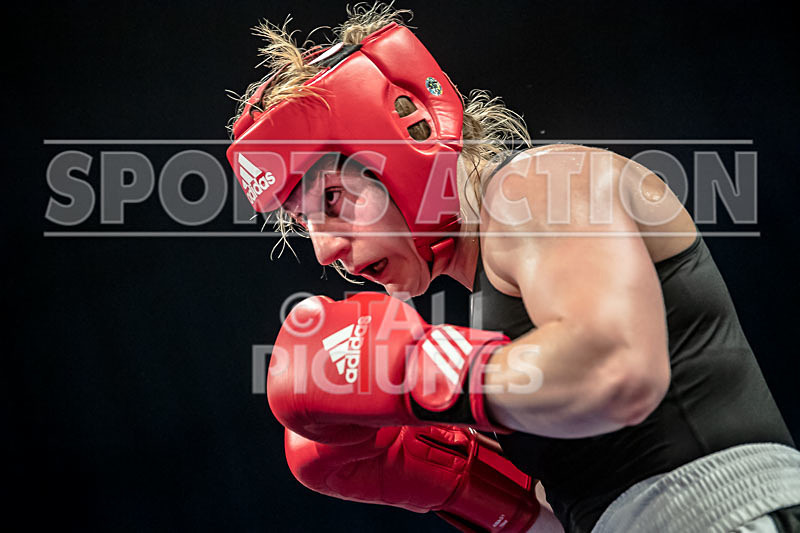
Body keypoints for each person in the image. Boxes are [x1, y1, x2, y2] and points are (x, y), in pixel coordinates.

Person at [226, 4, 800, 532]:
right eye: (304, 225)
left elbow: (617, 371)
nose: (326, 251)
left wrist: (418, 376)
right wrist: (468, 490)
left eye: (331, 200)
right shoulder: (500, 322)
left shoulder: (539, 188)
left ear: (412, 130)